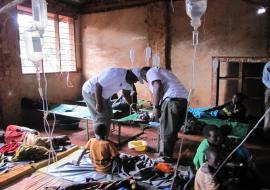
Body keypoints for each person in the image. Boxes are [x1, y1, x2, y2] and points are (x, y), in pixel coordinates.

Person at [140, 66, 188, 160]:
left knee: (166, 132)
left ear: (144, 76)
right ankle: (166, 155)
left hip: (172, 101)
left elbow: (157, 86)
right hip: (183, 101)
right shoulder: (163, 71)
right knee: (172, 131)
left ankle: (164, 158)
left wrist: (156, 107)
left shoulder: (150, 72)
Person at [82, 68, 144, 134]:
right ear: (132, 75)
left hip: (104, 95)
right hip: (91, 91)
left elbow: (126, 95)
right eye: (136, 79)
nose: (135, 82)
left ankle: (105, 135)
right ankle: (100, 140)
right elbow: (98, 86)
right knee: (101, 117)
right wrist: (98, 104)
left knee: (109, 115)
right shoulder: (115, 73)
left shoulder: (128, 82)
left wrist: (134, 109)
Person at [262, 61, 270, 134]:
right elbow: (264, 80)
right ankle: (266, 131)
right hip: (269, 90)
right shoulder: (268, 65)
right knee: (268, 112)